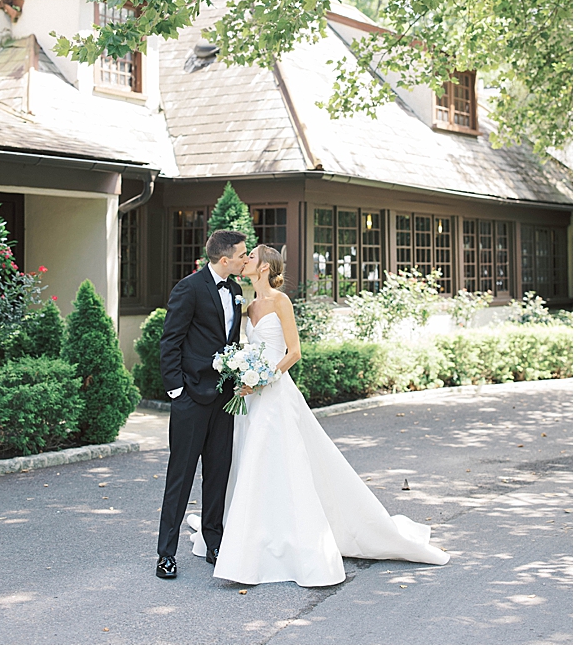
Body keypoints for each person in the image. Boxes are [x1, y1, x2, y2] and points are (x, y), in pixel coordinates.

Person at [187, 244, 450, 587]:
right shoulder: (248, 305)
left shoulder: (281, 302)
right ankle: (247, 535)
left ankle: (286, 541)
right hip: (249, 398)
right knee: (247, 461)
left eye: (251, 256)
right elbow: (245, 349)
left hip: (273, 394)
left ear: (265, 267)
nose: (246, 259)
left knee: (279, 463)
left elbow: (293, 352)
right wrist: (241, 375)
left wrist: (263, 377)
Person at [156, 230, 247, 579]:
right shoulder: (189, 288)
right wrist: (176, 390)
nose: (244, 259)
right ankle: (166, 553)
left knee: (218, 473)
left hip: (225, 398)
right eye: (241, 254)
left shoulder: (236, 291)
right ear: (224, 259)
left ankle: (215, 545)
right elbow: (170, 341)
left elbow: (230, 341)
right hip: (191, 398)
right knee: (180, 477)